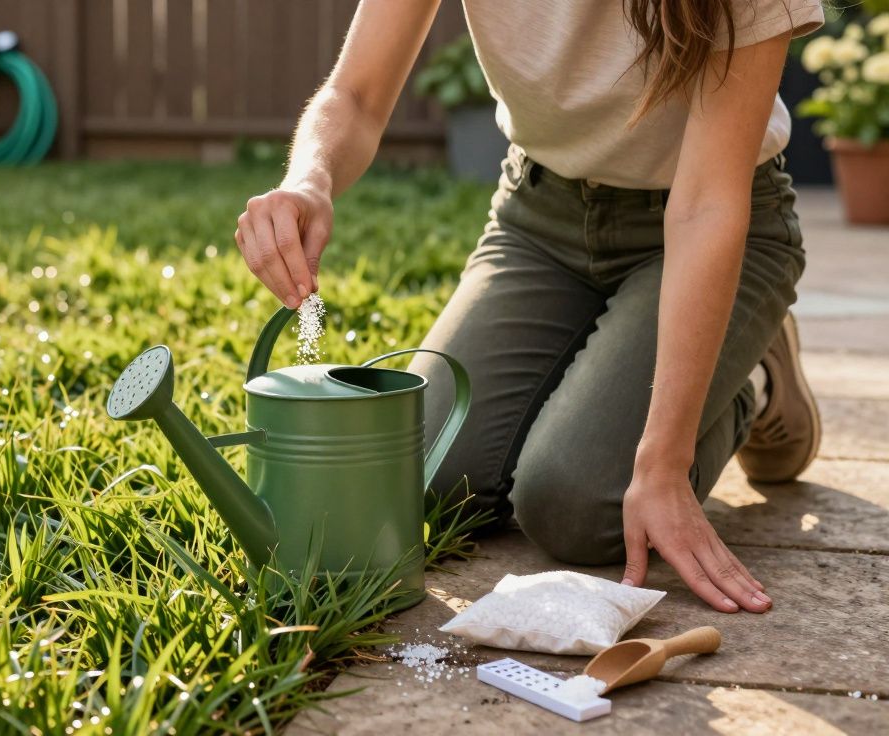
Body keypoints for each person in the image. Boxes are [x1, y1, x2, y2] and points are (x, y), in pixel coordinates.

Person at [233, 0, 826, 614]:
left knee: (579, 506)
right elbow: (355, 93)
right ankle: (631, 364)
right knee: (428, 478)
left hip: (708, 221)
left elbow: (705, 204)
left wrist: (665, 463)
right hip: (540, 219)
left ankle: (750, 370)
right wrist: (310, 178)